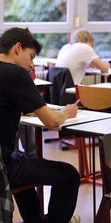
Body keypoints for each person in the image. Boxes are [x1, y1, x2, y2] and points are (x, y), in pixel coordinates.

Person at [0, 27, 81, 223]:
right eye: (31, 56)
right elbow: (51, 122)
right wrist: (66, 113)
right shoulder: (16, 74)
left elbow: (25, 107)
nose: (31, 64)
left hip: (4, 159)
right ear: (17, 48)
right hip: (3, 164)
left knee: (22, 161)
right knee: (69, 175)